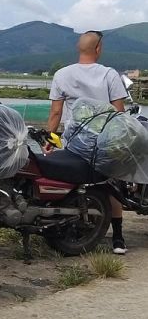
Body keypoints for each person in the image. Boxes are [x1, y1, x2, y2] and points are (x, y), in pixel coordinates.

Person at [46, 30, 128, 253]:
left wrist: (49, 139)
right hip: (103, 139)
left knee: (72, 180)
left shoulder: (62, 74)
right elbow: (119, 112)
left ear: (78, 48)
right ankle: (118, 239)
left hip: (74, 140)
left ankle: (70, 225)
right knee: (111, 183)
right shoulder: (110, 75)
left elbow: (55, 113)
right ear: (99, 49)